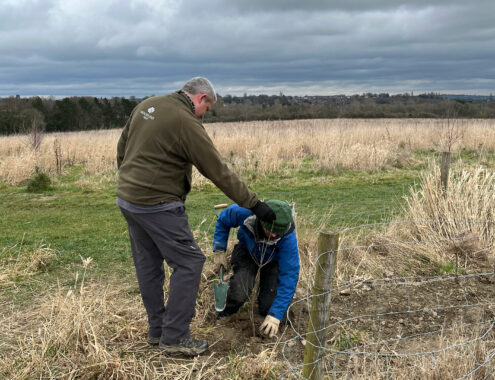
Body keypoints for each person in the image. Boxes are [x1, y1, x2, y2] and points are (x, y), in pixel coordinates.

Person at [116, 77, 276, 356]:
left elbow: (122, 148)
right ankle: (175, 336)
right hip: (158, 203)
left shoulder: (147, 105)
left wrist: (132, 182)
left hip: (128, 199)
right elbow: (217, 170)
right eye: (208, 109)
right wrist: (254, 204)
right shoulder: (186, 121)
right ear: (201, 98)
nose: (204, 116)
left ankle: (158, 330)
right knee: (190, 262)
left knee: (148, 264)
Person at [212, 200, 299, 338]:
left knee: (268, 307)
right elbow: (223, 219)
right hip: (248, 251)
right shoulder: (244, 212)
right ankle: (224, 314)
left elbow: (290, 275)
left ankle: (271, 309)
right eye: (270, 230)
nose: (274, 235)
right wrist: (219, 249)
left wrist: (275, 315)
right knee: (240, 291)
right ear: (261, 221)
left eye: (278, 233)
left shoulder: (288, 239)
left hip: (272, 261)